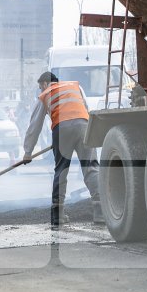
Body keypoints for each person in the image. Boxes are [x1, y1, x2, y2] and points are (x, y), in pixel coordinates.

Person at [22, 71, 103, 228]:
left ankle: (58, 215)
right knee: (91, 168)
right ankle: (100, 213)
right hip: (84, 126)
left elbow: (35, 125)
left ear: (45, 83)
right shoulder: (74, 86)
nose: (40, 90)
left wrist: (27, 152)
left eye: (40, 87)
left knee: (61, 170)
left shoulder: (45, 94)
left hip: (62, 129)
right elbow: (85, 108)